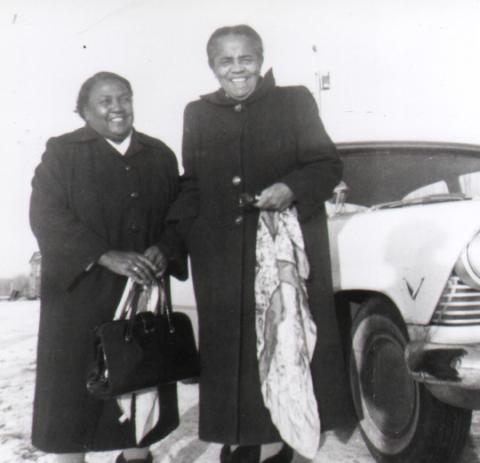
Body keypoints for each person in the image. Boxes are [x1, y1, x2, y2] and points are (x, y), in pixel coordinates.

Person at [167, 25, 353, 462]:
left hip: (282, 252)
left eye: (245, 58)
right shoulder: (197, 113)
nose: (237, 69)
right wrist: (175, 240)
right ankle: (238, 445)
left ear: (260, 58)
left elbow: (326, 164)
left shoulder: (294, 101)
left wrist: (292, 186)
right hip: (219, 258)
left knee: (281, 346)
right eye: (225, 61)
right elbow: (192, 183)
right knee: (232, 358)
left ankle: (275, 449)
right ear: (212, 66)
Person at [30, 71, 185, 463]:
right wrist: (103, 254)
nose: (117, 108)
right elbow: (46, 216)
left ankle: (136, 457)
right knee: (74, 393)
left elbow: (181, 215)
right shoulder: (62, 154)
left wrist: (165, 248)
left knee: (140, 382)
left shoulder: (159, 154)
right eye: (105, 101)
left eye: (124, 98)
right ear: (84, 110)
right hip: (78, 296)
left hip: (142, 292)